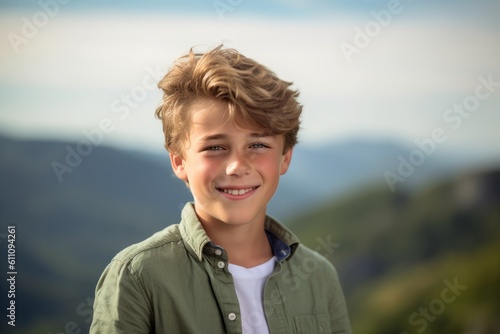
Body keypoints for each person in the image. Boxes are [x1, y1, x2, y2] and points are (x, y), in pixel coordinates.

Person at [90, 45, 352, 334]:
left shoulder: (320, 277)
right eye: (215, 147)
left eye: (258, 145)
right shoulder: (139, 276)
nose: (236, 166)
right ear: (179, 161)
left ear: (285, 158)